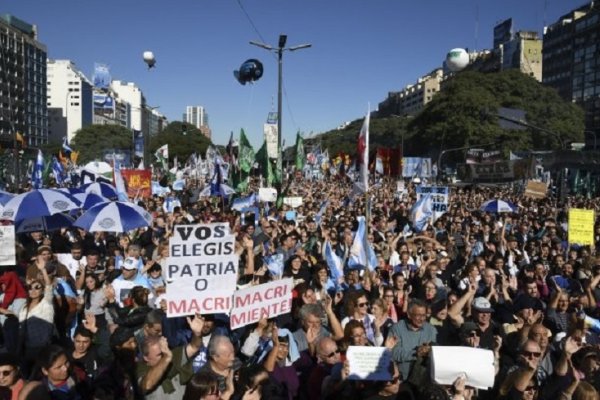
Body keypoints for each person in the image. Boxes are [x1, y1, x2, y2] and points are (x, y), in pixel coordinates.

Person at [136, 314, 205, 399]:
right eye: (159, 355)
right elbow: (147, 384)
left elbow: (194, 347)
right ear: (146, 358)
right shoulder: (141, 368)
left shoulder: (169, 355)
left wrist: (197, 334)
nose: (163, 355)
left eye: (164, 351)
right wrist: (166, 358)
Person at [17, 262, 54, 377]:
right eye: (30, 288)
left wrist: (43, 270)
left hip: (43, 347)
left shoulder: (46, 303)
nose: (33, 290)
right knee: (25, 375)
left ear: (42, 290)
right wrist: (19, 348)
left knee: (39, 376)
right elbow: (22, 330)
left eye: (37, 287)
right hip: (28, 348)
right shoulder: (24, 308)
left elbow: (48, 285)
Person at [389, 299, 437, 379]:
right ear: (409, 314)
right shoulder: (397, 329)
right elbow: (393, 353)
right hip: (402, 378)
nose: (421, 319)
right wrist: (415, 353)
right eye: (418, 315)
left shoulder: (431, 330)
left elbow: (435, 355)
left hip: (423, 379)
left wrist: (429, 351)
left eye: (424, 315)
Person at [19, 344, 90, 399]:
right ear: (45, 371)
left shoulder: (79, 378)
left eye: (66, 363)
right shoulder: (39, 390)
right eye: (58, 367)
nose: (65, 368)